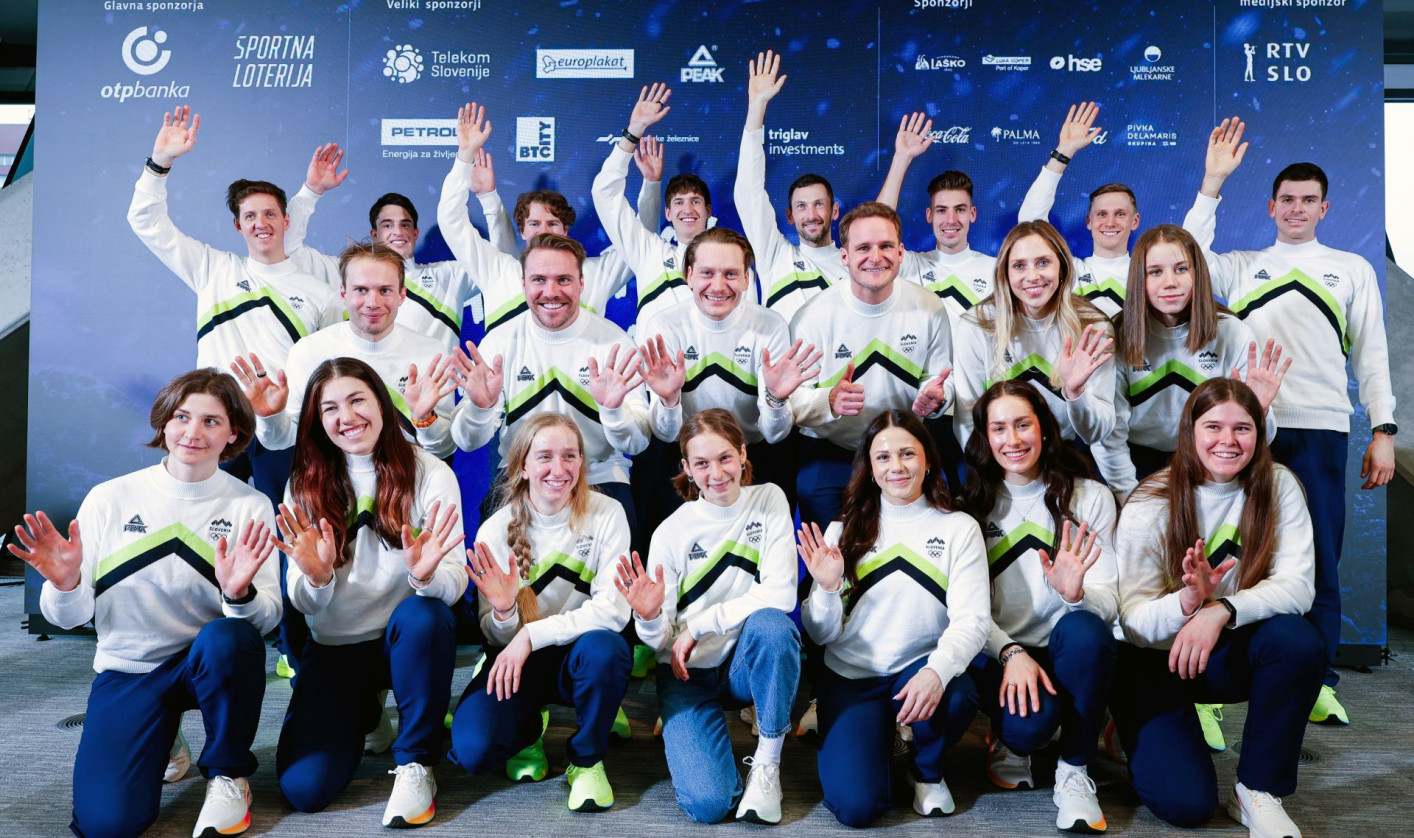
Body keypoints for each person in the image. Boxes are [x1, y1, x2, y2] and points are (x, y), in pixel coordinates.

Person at [1182, 117, 1396, 724]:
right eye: (1287, 200)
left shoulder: (1351, 269)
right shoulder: (1240, 266)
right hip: (1243, 435)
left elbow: (1372, 355)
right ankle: (1215, 685)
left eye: (1309, 201)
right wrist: (1211, 182)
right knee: (1233, 554)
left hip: (1323, 427)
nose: (1296, 209)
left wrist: (1383, 429)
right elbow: (1188, 255)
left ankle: (1317, 678)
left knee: (1319, 556)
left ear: (1325, 207)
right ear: (1270, 205)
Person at [9, 368, 280, 838]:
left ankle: (227, 773)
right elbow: (68, 618)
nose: (193, 433)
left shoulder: (250, 506)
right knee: (107, 825)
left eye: (211, 422)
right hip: (130, 669)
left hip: (206, 665)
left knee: (229, 638)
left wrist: (239, 594)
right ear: (164, 423)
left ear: (233, 432)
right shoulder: (110, 499)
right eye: (182, 417)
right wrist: (68, 582)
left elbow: (267, 619)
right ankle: (161, 735)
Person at [1110, 378, 1324, 837]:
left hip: (1223, 649)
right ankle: (1136, 733)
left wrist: (1218, 608)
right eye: (1213, 427)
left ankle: (1257, 790)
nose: (1227, 441)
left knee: (1297, 641)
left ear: (1259, 433)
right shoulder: (1151, 500)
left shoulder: (1278, 485)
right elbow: (1130, 622)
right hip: (1154, 660)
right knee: (1187, 806)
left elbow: (1298, 587)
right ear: (1189, 432)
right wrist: (1187, 602)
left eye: (1242, 429)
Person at [272, 357, 466, 828]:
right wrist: (317, 578)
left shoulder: (430, 472)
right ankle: (365, 710)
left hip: (405, 640)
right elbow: (300, 600)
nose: (347, 417)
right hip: (336, 645)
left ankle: (416, 761)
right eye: (330, 408)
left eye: (357, 399)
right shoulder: (304, 482)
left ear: (381, 401)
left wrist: (423, 576)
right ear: (317, 422)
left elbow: (456, 581)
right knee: (304, 790)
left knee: (425, 614)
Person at [126, 105, 341, 504]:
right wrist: (160, 163)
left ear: (286, 219)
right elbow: (147, 223)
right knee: (207, 524)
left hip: (286, 424)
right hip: (218, 420)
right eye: (250, 215)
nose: (262, 223)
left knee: (294, 526)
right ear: (238, 226)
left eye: (270, 214)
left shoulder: (321, 293)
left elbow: (330, 369)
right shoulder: (213, 269)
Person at [799, 410, 989, 826]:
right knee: (858, 809)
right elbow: (818, 633)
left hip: (917, 671)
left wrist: (937, 672)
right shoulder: (842, 530)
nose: (896, 466)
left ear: (928, 460)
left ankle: (925, 768)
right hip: (853, 677)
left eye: (907, 453)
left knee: (958, 694)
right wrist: (829, 589)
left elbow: (973, 620)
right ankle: (883, 739)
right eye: (882, 457)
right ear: (869, 467)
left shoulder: (959, 528)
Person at [615, 410, 800, 824]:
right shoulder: (670, 533)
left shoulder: (768, 500)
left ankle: (767, 766)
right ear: (686, 468)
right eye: (701, 463)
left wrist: (699, 624)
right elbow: (661, 641)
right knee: (709, 804)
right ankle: (717, 763)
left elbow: (782, 592)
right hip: (688, 674)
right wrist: (646, 617)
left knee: (774, 627)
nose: (716, 473)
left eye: (725, 458)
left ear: (743, 454)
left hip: (743, 663)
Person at [448, 414, 633, 812]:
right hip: (517, 661)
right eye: (545, 456)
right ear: (523, 467)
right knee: (473, 751)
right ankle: (528, 726)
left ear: (582, 462)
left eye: (570, 456)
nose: (558, 468)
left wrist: (533, 634)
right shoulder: (495, 531)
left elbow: (613, 612)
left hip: (579, 654)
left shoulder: (608, 514)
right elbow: (497, 638)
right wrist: (502, 611)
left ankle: (586, 760)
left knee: (609, 649)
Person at [959, 381, 1118, 833]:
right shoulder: (969, 504)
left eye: (1023, 425)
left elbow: (1111, 604)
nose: (1013, 440)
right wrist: (1011, 652)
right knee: (1029, 729)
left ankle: (1074, 769)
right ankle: (1014, 737)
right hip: (1003, 655)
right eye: (999, 429)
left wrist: (1075, 595)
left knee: (1086, 631)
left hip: (1071, 647)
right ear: (985, 439)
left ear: (1045, 430)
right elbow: (967, 610)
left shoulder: (1090, 498)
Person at [449, 233, 651, 528]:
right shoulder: (499, 343)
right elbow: (467, 442)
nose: (551, 291)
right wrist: (480, 408)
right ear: (524, 284)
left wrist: (614, 411)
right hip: (522, 476)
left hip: (599, 476)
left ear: (582, 283)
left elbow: (637, 442)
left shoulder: (614, 344)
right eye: (539, 280)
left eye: (564, 280)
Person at [635, 226, 817, 525]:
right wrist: (668, 400)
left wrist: (774, 400)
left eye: (731, 274)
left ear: (747, 279)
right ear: (689, 276)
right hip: (684, 450)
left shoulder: (769, 326)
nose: (718, 286)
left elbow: (774, 434)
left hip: (754, 450)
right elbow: (666, 433)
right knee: (651, 458)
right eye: (707, 273)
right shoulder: (664, 326)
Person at [788, 201, 953, 527]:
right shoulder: (812, 317)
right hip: (832, 450)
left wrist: (936, 398)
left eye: (886, 246)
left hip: (903, 449)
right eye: (863, 247)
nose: (876, 257)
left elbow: (940, 378)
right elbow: (791, 402)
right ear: (844, 257)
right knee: (832, 560)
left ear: (902, 252)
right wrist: (829, 401)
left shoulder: (929, 308)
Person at [1098, 224, 1289, 499]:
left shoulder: (1232, 332)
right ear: (1139, 279)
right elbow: (1110, 433)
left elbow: (1261, 437)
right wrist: (1128, 494)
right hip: (1136, 465)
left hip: (1210, 462)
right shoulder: (1117, 336)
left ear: (1198, 274)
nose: (1170, 282)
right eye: (1155, 272)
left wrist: (1259, 410)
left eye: (1181, 269)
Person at [437, 102, 662, 332]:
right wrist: (464, 157)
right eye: (534, 224)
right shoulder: (497, 271)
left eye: (552, 223)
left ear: (565, 229)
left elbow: (641, 238)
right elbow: (451, 220)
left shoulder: (596, 274)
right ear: (522, 231)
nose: (543, 230)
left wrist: (650, 182)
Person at [233, 242, 459, 459]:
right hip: (331, 487)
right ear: (343, 294)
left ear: (401, 295)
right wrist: (271, 417)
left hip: (408, 486)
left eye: (385, 290)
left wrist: (425, 419)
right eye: (361, 290)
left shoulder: (431, 352)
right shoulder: (309, 352)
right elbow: (283, 440)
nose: (373, 302)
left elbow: (444, 448)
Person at [282, 142, 485, 355]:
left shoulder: (449, 276)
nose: (398, 231)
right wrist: (311, 192)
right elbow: (288, 250)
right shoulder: (346, 272)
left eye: (405, 224)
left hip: (431, 388)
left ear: (415, 233)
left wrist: (487, 197)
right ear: (374, 235)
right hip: (364, 386)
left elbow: (499, 266)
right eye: (387, 225)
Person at [952, 220, 1116, 458]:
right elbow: (968, 419)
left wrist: (1076, 393)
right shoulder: (976, 325)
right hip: (999, 462)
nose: (1032, 276)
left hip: (1066, 458)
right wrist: (995, 474)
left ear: (1062, 268)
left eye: (1043, 262)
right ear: (1005, 274)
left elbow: (1096, 432)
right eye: (1019, 266)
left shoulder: (1093, 328)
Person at [593, 83, 731, 321]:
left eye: (695, 201)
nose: (687, 210)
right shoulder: (650, 253)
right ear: (667, 213)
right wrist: (633, 131)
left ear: (709, 210)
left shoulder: (730, 261)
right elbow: (605, 194)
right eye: (678, 203)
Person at [735, 49, 847, 321]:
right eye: (801, 206)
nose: (811, 215)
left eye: (819, 204)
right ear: (789, 215)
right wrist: (756, 106)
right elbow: (748, 192)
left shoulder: (854, 262)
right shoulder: (775, 256)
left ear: (834, 211)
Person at [875, 112, 996, 329]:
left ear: (973, 214)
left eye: (960, 209)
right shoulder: (911, 266)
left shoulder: (996, 269)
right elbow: (876, 229)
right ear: (929, 216)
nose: (951, 220)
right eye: (941, 210)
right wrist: (902, 158)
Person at [1018, 102, 1138, 317]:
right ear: (1089, 221)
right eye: (1101, 214)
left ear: (1135, 221)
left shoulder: (1148, 275)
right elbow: (1030, 224)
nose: (1110, 222)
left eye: (1120, 214)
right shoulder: (1070, 271)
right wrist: (1064, 151)